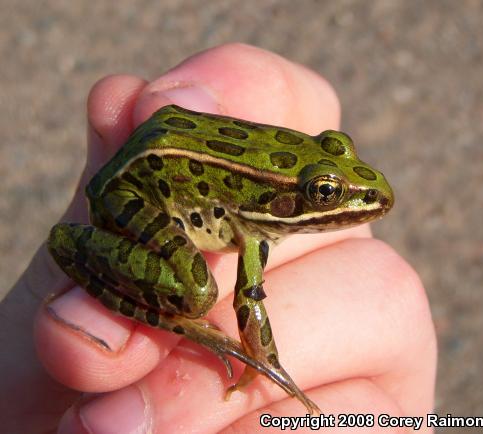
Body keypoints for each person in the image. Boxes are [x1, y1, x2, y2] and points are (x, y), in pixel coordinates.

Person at [0, 43, 436, 433]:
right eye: (324, 193)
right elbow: (249, 300)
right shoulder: (253, 234)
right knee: (198, 294)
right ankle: (180, 321)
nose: (346, 198)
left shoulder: (256, 221)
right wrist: (266, 360)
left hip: (157, 153)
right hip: (134, 194)